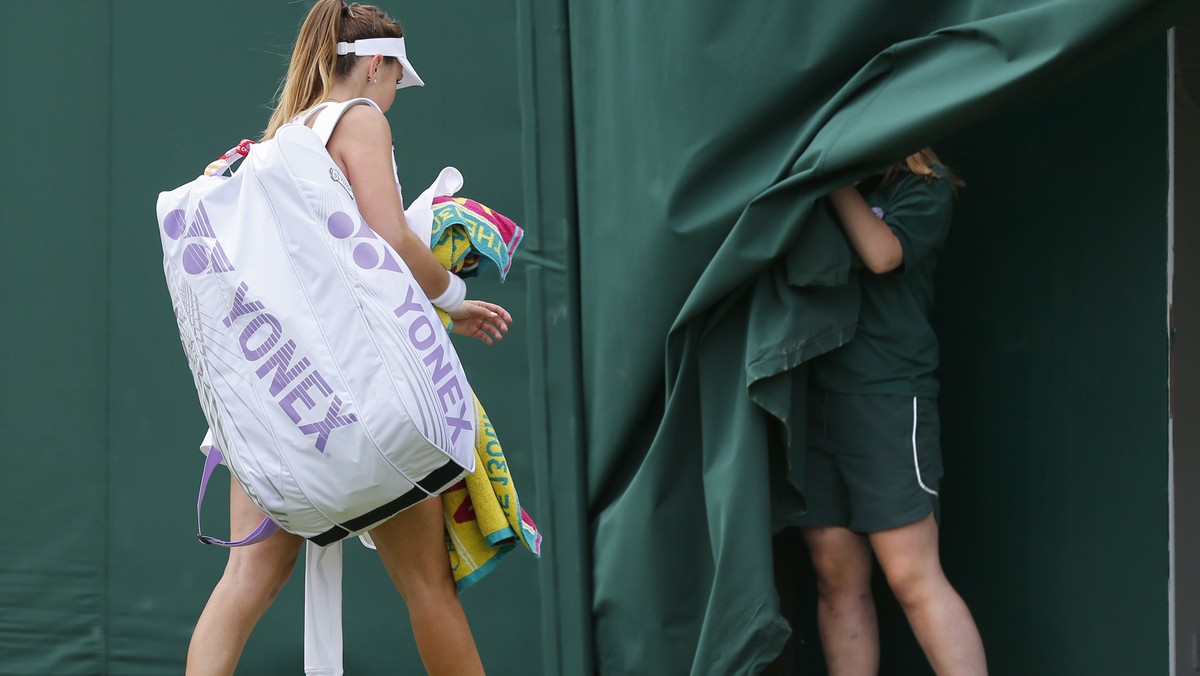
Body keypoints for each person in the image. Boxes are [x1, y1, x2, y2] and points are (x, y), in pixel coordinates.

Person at [185, 2, 509, 674]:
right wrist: (456, 299)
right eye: (396, 78)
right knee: (428, 589)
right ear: (373, 65)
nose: (394, 94)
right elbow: (389, 239)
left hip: (272, 403)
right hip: (354, 401)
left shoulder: (265, 149)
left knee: (244, 584)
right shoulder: (360, 119)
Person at [797, 148, 986, 675]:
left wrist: (831, 181)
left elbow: (883, 254)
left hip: (887, 397)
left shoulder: (927, 184)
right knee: (836, 580)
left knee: (912, 578)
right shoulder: (809, 186)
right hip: (814, 397)